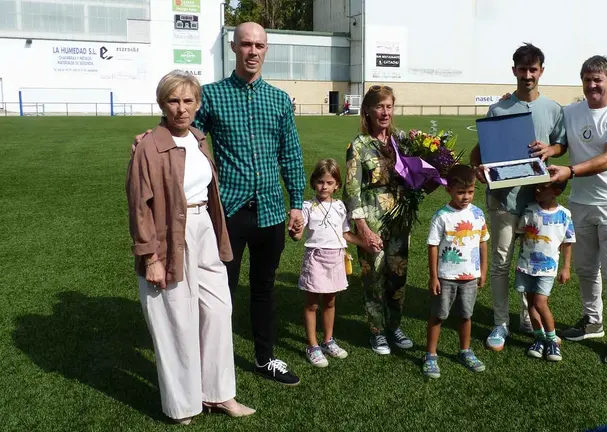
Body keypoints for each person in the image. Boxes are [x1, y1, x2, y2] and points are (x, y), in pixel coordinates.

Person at [132, 22, 305, 385]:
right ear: (234, 47)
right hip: (227, 212)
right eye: (246, 44)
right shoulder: (210, 95)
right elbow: (181, 124)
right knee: (217, 292)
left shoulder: (278, 100)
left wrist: (296, 203)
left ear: (266, 49)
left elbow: (291, 154)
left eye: (259, 45)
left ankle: (264, 357)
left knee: (265, 288)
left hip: (271, 210)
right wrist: (152, 136)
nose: (253, 51)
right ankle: (209, 365)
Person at [126, 70, 255, 425]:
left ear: (198, 104)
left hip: (204, 230)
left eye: (188, 101)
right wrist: (150, 257)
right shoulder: (149, 146)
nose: (181, 108)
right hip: (170, 237)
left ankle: (218, 393)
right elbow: (139, 206)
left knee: (217, 309)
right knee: (177, 321)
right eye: (173, 101)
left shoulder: (199, 139)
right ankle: (183, 406)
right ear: (162, 104)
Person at [469, 43, 568, 352]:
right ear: (514, 70)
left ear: (541, 71)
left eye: (533, 69)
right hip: (503, 200)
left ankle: (529, 318)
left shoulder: (552, 109)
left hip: (538, 202)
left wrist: (551, 149)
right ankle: (500, 322)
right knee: (500, 262)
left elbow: (562, 144)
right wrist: (478, 169)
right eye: (522, 69)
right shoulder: (499, 108)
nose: (528, 75)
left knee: (531, 264)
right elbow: (486, 147)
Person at [547, 55, 607, 366]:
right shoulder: (571, 111)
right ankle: (592, 320)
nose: (592, 84)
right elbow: (560, 141)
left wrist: (570, 171)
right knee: (586, 268)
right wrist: (551, 150)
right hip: (581, 203)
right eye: (587, 79)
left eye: (598, 79)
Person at [342, 85, 416, 355]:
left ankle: (394, 326)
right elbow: (351, 189)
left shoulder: (400, 140)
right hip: (371, 220)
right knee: (373, 276)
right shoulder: (358, 145)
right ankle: (377, 331)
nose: (384, 112)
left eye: (388, 106)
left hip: (399, 220)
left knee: (398, 275)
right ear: (368, 110)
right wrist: (362, 229)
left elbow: (413, 178)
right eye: (379, 107)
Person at [289, 159, 376, 367]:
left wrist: (366, 243)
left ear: (337, 185)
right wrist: (295, 230)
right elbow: (298, 236)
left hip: (336, 258)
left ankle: (328, 340)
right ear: (313, 183)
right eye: (320, 182)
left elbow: (346, 234)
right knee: (312, 303)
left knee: (330, 302)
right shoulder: (307, 207)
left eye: (329, 183)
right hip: (316, 258)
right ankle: (312, 345)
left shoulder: (340, 207)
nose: (324, 187)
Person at [422, 165, 489, 379]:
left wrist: (483, 270)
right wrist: (434, 276)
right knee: (438, 315)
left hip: (470, 276)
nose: (466, 197)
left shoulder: (478, 214)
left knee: (466, 315)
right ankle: (430, 354)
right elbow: (432, 245)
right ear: (448, 190)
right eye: (461, 192)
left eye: (470, 192)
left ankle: (465, 351)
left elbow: (483, 242)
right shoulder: (442, 216)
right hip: (446, 277)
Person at [513, 181, 575, 362]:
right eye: (537, 186)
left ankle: (551, 340)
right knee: (531, 304)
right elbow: (520, 231)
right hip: (526, 266)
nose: (537, 190)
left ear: (556, 191)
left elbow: (567, 242)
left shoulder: (564, 215)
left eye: (543, 187)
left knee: (541, 303)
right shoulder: (530, 210)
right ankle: (539, 339)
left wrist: (566, 267)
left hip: (547, 269)